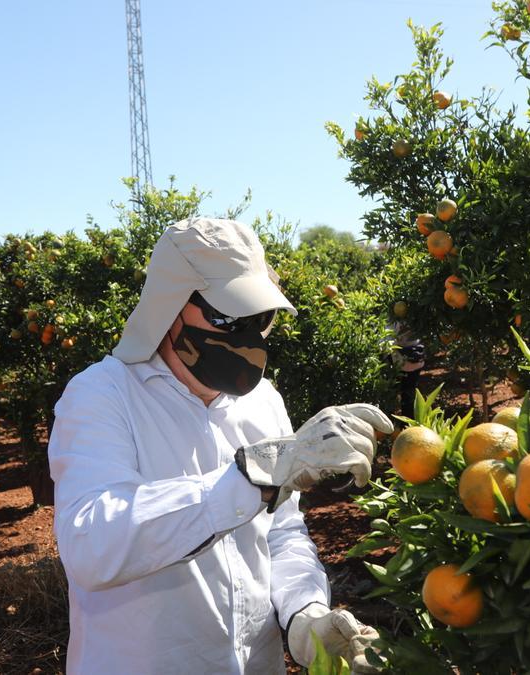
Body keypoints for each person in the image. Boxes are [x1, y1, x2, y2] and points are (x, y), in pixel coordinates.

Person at [48, 217, 392, 675]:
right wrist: (252, 477)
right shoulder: (101, 396)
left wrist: (304, 616)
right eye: (226, 316)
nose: (246, 334)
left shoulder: (264, 401)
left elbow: (282, 532)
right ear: (168, 306)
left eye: (259, 317)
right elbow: (93, 543)